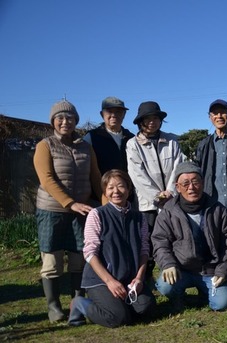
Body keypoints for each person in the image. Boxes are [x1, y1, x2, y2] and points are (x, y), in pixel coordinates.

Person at [33, 100, 102, 322]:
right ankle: (53, 306)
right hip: (51, 211)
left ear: (76, 121)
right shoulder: (45, 145)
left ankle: (77, 302)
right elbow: (47, 178)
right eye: (60, 118)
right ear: (53, 121)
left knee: (79, 259)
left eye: (70, 118)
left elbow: (96, 178)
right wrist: (69, 203)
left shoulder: (85, 147)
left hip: (81, 212)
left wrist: (106, 203)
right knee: (52, 260)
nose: (65, 122)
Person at [68, 169, 156, 328]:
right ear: (105, 192)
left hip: (129, 279)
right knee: (118, 318)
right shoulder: (97, 214)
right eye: (110, 188)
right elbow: (89, 252)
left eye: (121, 186)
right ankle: (80, 303)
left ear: (129, 190)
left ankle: (120, 305)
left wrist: (139, 278)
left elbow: (144, 250)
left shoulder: (139, 218)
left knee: (146, 309)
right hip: (100, 280)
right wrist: (110, 282)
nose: (116, 191)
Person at [152, 162, 227, 312]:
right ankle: (179, 295)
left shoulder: (218, 209)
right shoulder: (168, 211)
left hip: (212, 270)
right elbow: (160, 242)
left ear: (203, 183)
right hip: (181, 269)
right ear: (177, 187)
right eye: (185, 183)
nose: (191, 187)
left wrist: (224, 268)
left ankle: (206, 292)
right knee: (165, 286)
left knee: (222, 303)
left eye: (195, 182)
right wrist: (168, 264)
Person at [126, 101, 183, 282]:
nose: (152, 122)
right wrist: (157, 196)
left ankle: (176, 274)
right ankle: (147, 279)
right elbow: (137, 175)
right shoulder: (133, 144)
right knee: (147, 240)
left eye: (156, 118)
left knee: (174, 237)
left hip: (172, 199)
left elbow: (178, 166)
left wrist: (171, 191)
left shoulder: (172, 140)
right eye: (148, 119)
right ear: (140, 122)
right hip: (147, 203)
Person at [195, 99, 227, 288]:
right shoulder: (204, 144)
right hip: (212, 205)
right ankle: (219, 280)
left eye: (222, 112)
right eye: (214, 113)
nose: (219, 116)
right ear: (210, 118)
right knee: (215, 245)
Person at [83, 97, 134, 175]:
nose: (113, 115)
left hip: (128, 186)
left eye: (118, 112)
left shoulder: (131, 138)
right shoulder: (92, 137)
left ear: (124, 114)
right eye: (109, 111)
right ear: (102, 114)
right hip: (102, 186)